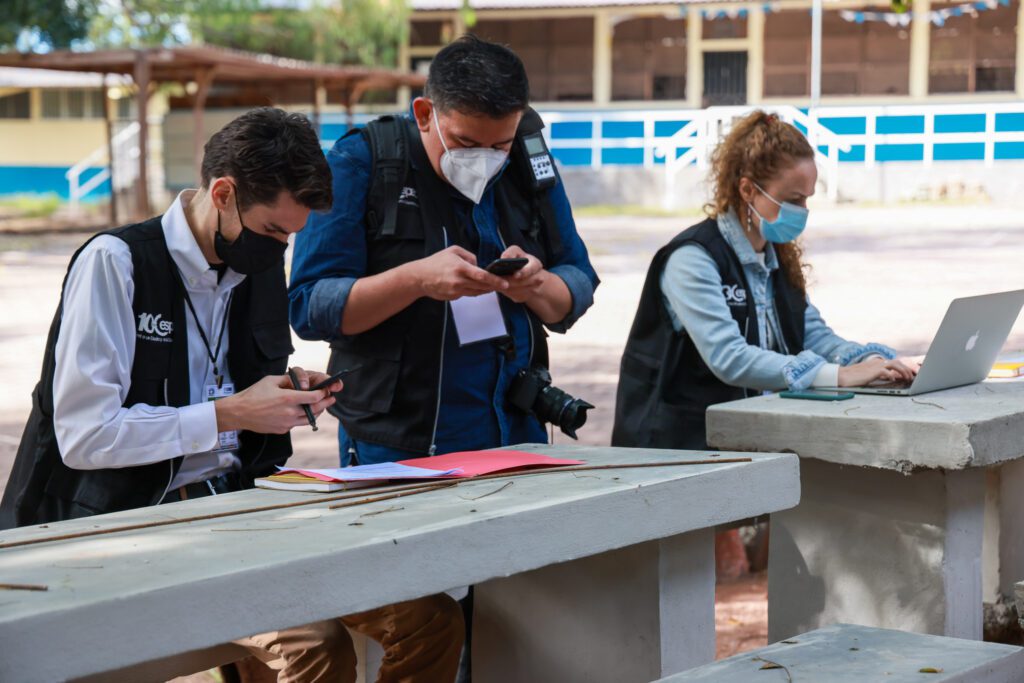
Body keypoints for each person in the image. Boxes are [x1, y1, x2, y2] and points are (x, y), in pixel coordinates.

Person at [0, 107, 463, 683]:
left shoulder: (256, 264)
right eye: (274, 231)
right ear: (223, 192)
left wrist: (288, 392)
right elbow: (84, 436)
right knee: (316, 647)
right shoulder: (115, 264)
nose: (281, 250)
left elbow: (234, 380)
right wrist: (231, 412)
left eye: (291, 236)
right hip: (134, 523)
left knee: (432, 619)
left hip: (242, 507)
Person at [289, 34, 598, 466]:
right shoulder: (362, 163)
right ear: (424, 114)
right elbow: (308, 307)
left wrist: (535, 284)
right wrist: (414, 281)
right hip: (401, 447)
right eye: (466, 144)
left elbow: (580, 281)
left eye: (499, 146)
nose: (484, 160)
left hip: (517, 433)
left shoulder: (527, 162)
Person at [613, 110, 916, 451]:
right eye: (792, 200)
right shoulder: (692, 259)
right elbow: (729, 357)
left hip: (736, 443)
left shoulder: (776, 256)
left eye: (807, 199)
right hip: (673, 451)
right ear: (747, 190)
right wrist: (837, 376)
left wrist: (870, 362)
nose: (803, 211)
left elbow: (811, 334)